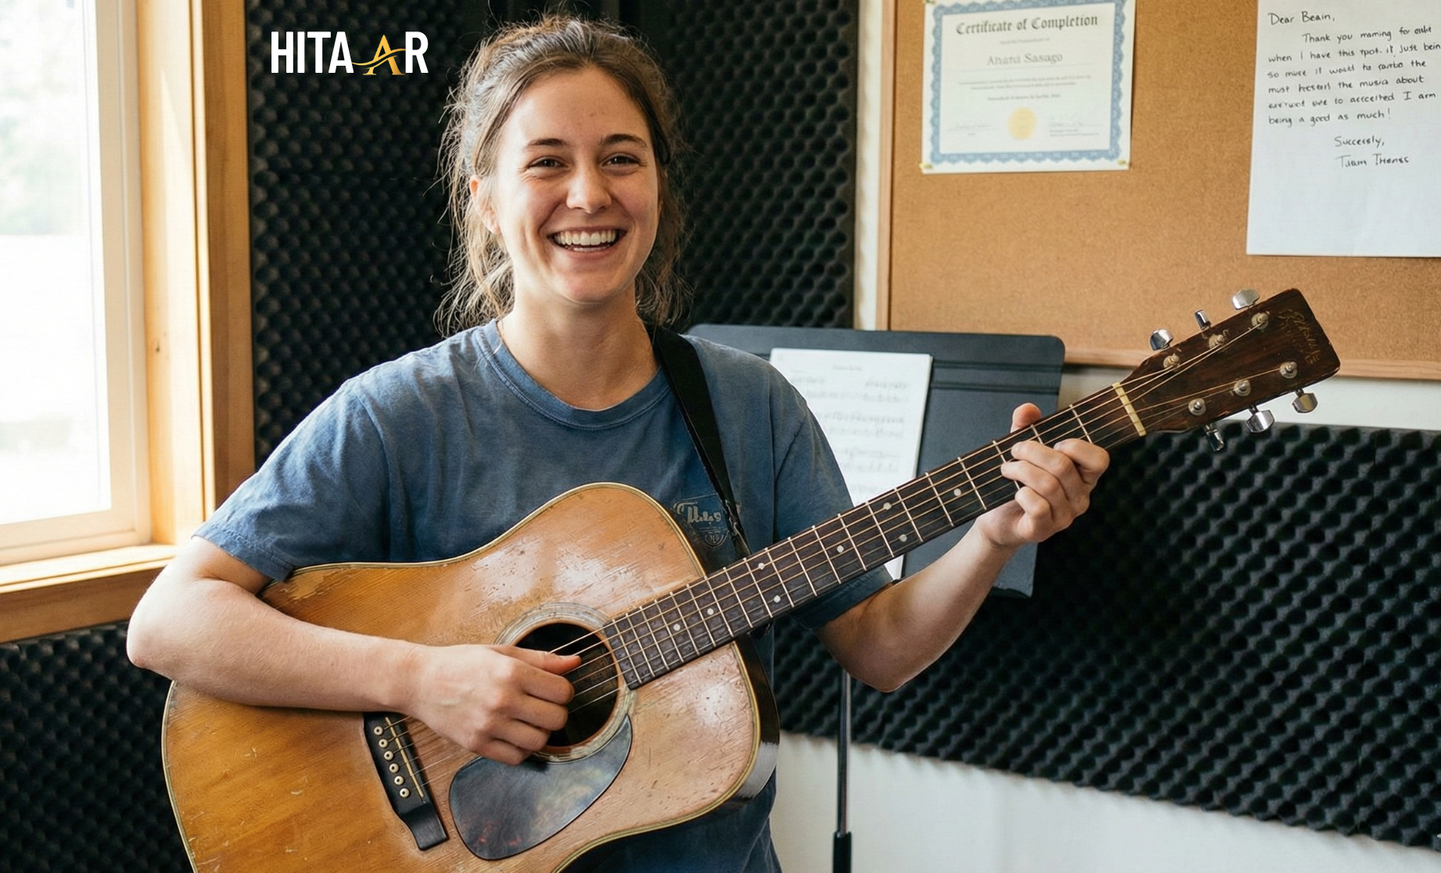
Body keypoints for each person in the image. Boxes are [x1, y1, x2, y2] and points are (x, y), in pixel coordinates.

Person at [126, 14, 1109, 872]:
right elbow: (169, 624)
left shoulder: (751, 408)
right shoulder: (399, 415)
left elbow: (878, 651)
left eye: (621, 157)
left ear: (658, 187)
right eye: (547, 161)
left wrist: (992, 534)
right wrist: (423, 680)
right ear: (484, 198)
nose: (588, 194)